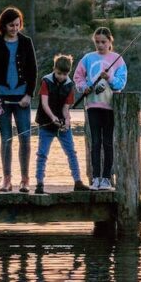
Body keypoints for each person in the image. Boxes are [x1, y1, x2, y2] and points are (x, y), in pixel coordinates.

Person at [0, 6, 37, 192]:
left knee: (25, 138)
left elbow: (32, 70)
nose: (15, 28)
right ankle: (7, 179)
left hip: (22, 98)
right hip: (1, 98)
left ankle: (25, 179)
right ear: (3, 25)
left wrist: (29, 94)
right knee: (6, 138)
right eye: (11, 25)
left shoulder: (26, 42)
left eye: (17, 25)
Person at [74, 26, 127, 191]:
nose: (100, 45)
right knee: (95, 142)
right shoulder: (88, 58)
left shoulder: (117, 59)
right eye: (97, 42)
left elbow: (120, 83)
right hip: (92, 105)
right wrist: (84, 88)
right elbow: (78, 77)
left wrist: (109, 76)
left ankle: (106, 178)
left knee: (108, 143)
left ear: (110, 41)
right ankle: (95, 177)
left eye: (103, 42)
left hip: (110, 107)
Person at [35, 53, 89, 194]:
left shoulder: (69, 85)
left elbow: (66, 109)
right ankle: (39, 183)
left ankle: (78, 181)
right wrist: (53, 117)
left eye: (64, 74)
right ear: (54, 69)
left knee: (71, 152)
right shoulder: (46, 81)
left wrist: (67, 121)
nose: (61, 77)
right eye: (59, 73)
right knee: (42, 154)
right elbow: (44, 104)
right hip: (46, 123)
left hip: (62, 125)